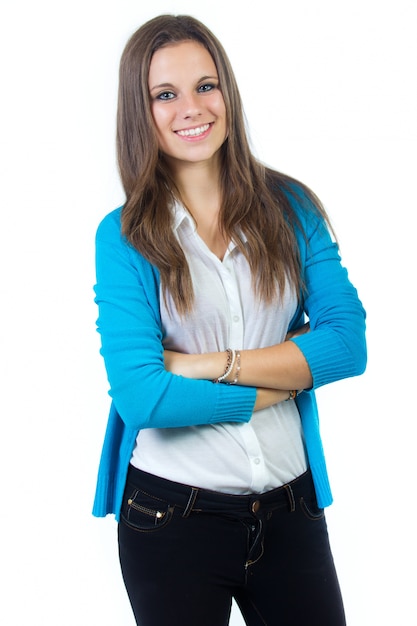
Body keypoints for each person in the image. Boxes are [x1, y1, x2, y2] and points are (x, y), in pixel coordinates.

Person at [92, 14, 366, 626]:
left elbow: (348, 345)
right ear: (142, 112)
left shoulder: (291, 209)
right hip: (171, 516)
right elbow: (143, 397)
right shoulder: (123, 239)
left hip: (291, 507)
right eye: (165, 94)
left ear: (228, 93)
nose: (190, 108)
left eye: (205, 85)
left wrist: (202, 366)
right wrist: (283, 381)